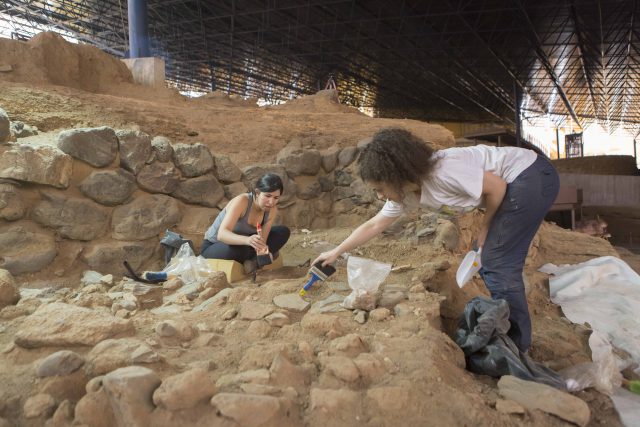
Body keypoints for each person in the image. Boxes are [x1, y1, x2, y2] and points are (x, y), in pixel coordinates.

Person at [313, 128, 559, 352]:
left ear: (397, 176)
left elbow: (497, 186)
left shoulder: (442, 172)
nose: (379, 196)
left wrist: (486, 226)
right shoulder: (406, 191)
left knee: (497, 263)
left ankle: (518, 347)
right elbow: (375, 224)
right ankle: (510, 328)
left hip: (530, 177)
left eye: (380, 188)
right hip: (523, 181)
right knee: (488, 258)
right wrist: (336, 252)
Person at [202, 173, 290, 274]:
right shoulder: (242, 201)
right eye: (268, 196)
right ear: (257, 192)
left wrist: (263, 250)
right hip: (216, 245)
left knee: (283, 232)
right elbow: (222, 235)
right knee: (240, 249)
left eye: (276, 198)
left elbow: (262, 241)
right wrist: (248, 240)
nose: (271, 202)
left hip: (246, 243)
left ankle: (253, 260)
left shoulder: (272, 210)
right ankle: (254, 259)